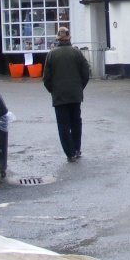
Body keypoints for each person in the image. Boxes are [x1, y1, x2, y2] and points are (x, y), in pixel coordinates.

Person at [42, 26, 90, 162]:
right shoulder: (77, 53)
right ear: (69, 38)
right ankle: (76, 148)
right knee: (76, 122)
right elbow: (86, 73)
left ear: (58, 39)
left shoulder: (51, 54)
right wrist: (80, 87)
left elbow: (46, 78)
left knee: (63, 124)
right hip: (75, 94)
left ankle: (70, 153)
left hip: (59, 95)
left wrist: (53, 90)